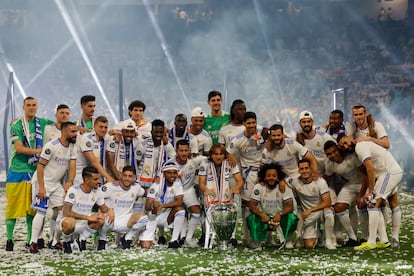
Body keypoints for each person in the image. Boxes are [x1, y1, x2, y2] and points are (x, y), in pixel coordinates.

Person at [337, 135, 403, 250]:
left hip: (389, 173)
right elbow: (369, 171)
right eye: (343, 146)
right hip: (386, 174)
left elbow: (370, 169)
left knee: (372, 202)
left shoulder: (360, 146)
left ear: (349, 137)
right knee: (373, 203)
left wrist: (371, 191)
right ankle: (383, 240)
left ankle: (372, 242)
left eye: (345, 142)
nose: (346, 147)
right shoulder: (360, 146)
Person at [5, 96, 54, 251]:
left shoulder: (43, 123)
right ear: (23, 107)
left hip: (34, 171)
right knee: (13, 207)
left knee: (31, 208)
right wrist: (39, 151)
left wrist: (80, 127)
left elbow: (61, 126)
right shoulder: (16, 125)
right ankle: (10, 239)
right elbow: (18, 148)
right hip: (18, 170)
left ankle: (29, 240)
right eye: (29, 105)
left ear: (37, 107)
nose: (32, 107)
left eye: (34, 105)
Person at [29, 121, 78, 253]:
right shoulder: (51, 145)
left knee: (62, 211)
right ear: (64, 132)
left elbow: (72, 167)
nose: (75, 134)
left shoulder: (73, 147)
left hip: (56, 184)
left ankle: (55, 241)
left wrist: (70, 181)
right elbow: (40, 166)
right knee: (41, 211)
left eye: (76, 131)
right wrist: (41, 188)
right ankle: (33, 242)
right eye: (73, 132)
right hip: (42, 182)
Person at [226, 111, 266, 245]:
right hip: (248, 175)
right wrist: (229, 155)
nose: (251, 125)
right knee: (249, 205)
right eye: (248, 123)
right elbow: (225, 151)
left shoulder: (263, 133)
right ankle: (248, 236)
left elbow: (279, 137)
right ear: (244, 124)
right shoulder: (237, 139)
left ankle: (263, 237)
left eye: (253, 122)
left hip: (264, 174)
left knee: (263, 204)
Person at [60, 166, 114, 253]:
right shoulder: (73, 190)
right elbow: (66, 212)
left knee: (100, 218)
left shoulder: (97, 192)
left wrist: (110, 210)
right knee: (70, 222)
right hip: (70, 222)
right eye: (95, 179)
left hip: (85, 223)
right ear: (87, 180)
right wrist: (87, 218)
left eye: (98, 179)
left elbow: (104, 209)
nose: (99, 182)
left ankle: (82, 239)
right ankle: (67, 242)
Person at [198, 144, 244, 246]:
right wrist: (205, 189)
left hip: (226, 195)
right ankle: (209, 235)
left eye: (221, 154)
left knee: (235, 201)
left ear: (224, 155)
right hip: (212, 195)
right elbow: (201, 182)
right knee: (205, 201)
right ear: (211, 155)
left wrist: (235, 189)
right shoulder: (205, 163)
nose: (218, 157)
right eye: (215, 154)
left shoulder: (230, 162)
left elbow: (240, 181)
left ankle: (231, 236)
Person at [98, 166, 148, 250]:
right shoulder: (110, 186)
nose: (127, 179)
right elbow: (96, 196)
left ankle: (127, 238)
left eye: (130, 176)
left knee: (144, 219)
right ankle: (102, 240)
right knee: (103, 217)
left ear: (134, 177)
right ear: (121, 176)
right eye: (125, 175)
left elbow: (146, 193)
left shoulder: (136, 188)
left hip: (126, 221)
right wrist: (108, 209)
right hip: (110, 220)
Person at [289, 159, 335, 249]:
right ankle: (319, 234)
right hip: (308, 216)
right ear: (298, 171)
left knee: (328, 213)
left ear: (310, 169)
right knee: (309, 246)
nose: (304, 171)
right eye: (302, 169)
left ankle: (328, 240)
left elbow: (327, 202)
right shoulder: (295, 182)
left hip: (320, 211)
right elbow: (282, 182)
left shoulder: (320, 182)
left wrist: (310, 210)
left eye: (306, 168)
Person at [247, 163, 296, 248]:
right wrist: (261, 214)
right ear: (264, 177)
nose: (271, 178)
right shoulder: (259, 187)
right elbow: (252, 205)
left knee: (291, 218)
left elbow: (290, 207)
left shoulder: (284, 187)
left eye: (274, 175)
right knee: (252, 217)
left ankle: (288, 240)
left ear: (278, 177)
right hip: (265, 217)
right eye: (268, 175)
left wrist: (280, 214)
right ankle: (259, 240)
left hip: (279, 217)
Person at [323, 140, 362, 246]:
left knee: (368, 207)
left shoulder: (352, 156)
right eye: (329, 154)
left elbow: (367, 174)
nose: (332, 155)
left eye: (334, 151)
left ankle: (369, 237)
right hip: (350, 184)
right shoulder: (329, 164)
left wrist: (361, 195)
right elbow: (326, 180)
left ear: (338, 149)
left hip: (364, 183)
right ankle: (352, 238)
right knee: (338, 208)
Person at [168, 140, 206, 247]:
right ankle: (178, 236)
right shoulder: (170, 164)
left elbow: (210, 157)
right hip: (174, 192)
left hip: (188, 190)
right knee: (179, 212)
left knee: (197, 212)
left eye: (186, 150)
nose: (184, 153)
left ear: (189, 151)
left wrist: (228, 155)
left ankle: (189, 238)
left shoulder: (193, 161)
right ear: (176, 151)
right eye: (181, 151)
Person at [142, 163, 185, 249]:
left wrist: (163, 206)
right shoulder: (155, 186)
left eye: (174, 173)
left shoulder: (177, 184)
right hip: (152, 217)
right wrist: (153, 205)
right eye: (169, 173)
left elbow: (179, 201)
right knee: (145, 246)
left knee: (180, 210)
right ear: (164, 174)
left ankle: (173, 241)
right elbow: (147, 207)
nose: (172, 175)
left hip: (166, 216)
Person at [136, 119, 176, 191]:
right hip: (142, 183)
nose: (158, 134)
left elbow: (173, 162)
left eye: (160, 132)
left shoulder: (167, 145)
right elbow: (135, 164)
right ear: (151, 132)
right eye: (156, 132)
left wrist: (161, 176)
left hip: (160, 183)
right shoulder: (143, 145)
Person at [74, 116, 115, 185]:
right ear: (94, 126)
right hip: (81, 177)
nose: (103, 130)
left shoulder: (104, 138)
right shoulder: (87, 137)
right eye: (101, 127)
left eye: (105, 127)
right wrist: (108, 177)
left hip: (95, 177)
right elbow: (94, 161)